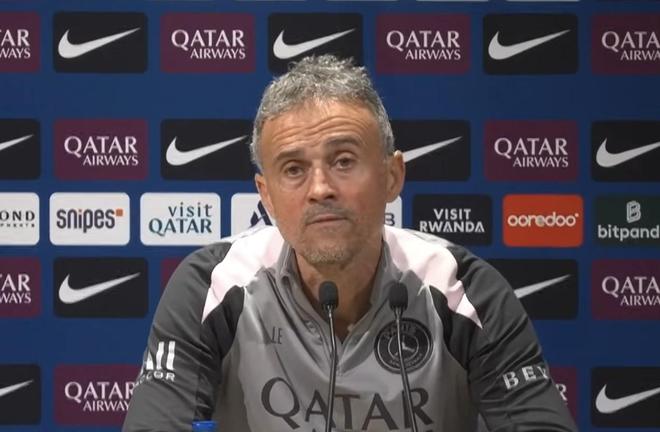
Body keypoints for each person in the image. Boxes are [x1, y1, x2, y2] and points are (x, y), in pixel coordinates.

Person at [123, 55, 577, 432]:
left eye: (343, 161)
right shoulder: (213, 284)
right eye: (294, 169)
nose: (320, 188)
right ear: (266, 196)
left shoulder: (461, 288)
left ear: (392, 176)